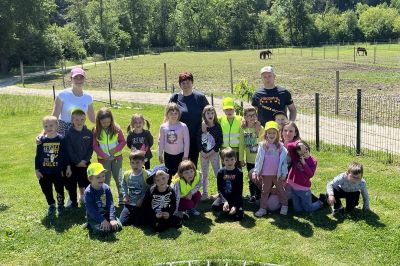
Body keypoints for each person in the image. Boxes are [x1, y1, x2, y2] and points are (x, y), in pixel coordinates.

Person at [169, 72, 209, 167]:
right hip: (178, 137)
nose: (186, 85)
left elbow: (209, 113)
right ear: (179, 84)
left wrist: (205, 122)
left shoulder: (200, 97)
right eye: (183, 83)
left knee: (191, 165)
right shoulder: (175, 98)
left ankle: (191, 181)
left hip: (195, 137)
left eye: (188, 82)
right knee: (177, 164)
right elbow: (168, 116)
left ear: (192, 83)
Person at [35, 116, 71, 216]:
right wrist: (37, 170)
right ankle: (51, 204)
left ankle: (60, 205)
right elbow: (37, 156)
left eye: (51, 125)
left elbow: (65, 154)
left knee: (59, 189)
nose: (48, 128)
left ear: (57, 126)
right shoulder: (41, 140)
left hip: (58, 171)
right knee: (46, 189)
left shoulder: (61, 139)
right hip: (44, 172)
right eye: (45, 126)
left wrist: (68, 167)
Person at [252, 121, 288, 217]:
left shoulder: (280, 147)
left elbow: (284, 163)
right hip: (266, 174)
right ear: (266, 134)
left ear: (277, 134)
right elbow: (258, 160)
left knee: (281, 190)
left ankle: (285, 205)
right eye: (269, 133)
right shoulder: (263, 146)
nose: (271, 135)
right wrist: (256, 171)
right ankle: (263, 208)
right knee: (265, 191)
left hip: (277, 174)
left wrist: (284, 173)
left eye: (274, 133)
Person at [93, 107, 126, 205]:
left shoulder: (116, 129)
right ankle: (105, 200)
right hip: (103, 160)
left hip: (117, 159)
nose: (106, 124)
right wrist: (103, 155)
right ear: (99, 122)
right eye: (103, 123)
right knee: (104, 180)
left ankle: (121, 197)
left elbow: (123, 142)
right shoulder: (96, 131)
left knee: (118, 178)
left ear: (111, 120)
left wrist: (115, 150)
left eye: (108, 122)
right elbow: (95, 146)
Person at [51, 67, 95, 136]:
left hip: (80, 129)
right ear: (71, 79)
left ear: (84, 79)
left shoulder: (88, 97)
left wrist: (111, 125)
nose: (79, 80)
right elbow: (54, 117)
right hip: (63, 131)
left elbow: (93, 119)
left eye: (81, 77)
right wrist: (44, 132)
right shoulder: (62, 95)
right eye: (75, 78)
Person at [65, 108, 93, 208]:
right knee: (71, 184)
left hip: (85, 163)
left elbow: (90, 148)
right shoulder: (69, 133)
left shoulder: (89, 133)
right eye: (76, 120)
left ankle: (85, 197)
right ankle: (73, 201)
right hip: (73, 164)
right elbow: (69, 150)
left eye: (82, 119)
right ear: (72, 120)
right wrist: (77, 161)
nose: (79, 122)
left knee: (86, 181)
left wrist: (85, 160)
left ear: (85, 119)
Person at [84, 163, 122, 235]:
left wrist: (112, 219)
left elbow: (110, 204)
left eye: (103, 176)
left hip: (106, 214)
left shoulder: (106, 188)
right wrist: (102, 220)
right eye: (98, 177)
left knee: (118, 227)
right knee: (100, 231)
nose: (102, 179)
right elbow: (91, 210)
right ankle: (90, 224)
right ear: (90, 179)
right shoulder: (88, 192)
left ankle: (107, 224)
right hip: (94, 217)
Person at [286, 140, 323, 213]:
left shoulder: (313, 161)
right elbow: (289, 146)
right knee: (297, 209)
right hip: (293, 186)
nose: (304, 154)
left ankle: (321, 201)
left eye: (306, 151)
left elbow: (310, 174)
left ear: (307, 147)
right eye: (302, 153)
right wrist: (298, 144)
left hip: (303, 189)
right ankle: (302, 205)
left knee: (308, 209)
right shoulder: (296, 157)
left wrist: (304, 164)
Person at [239, 106, 264, 203]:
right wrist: (241, 159)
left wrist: (257, 132)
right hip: (249, 159)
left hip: (260, 159)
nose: (252, 117)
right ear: (245, 117)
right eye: (249, 115)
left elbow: (263, 142)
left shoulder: (260, 128)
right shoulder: (243, 129)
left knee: (259, 177)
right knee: (251, 178)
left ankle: (260, 194)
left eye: (254, 115)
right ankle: (252, 195)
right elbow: (241, 145)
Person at [197, 105, 223, 200]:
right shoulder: (202, 126)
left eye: (212, 113)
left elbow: (220, 140)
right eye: (208, 113)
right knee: (204, 174)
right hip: (203, 155)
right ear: (204, 115)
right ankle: (204, 193)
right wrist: (201, 151)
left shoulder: (217, 126)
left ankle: (221, 192)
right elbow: (198, 139)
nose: (210, 115)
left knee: (217, 173)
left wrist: (212, 151)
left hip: (214, 154)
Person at [158, 103, 190, 178]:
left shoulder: (183, 126)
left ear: (179, 114)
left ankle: (178, 188)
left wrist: (185, 156)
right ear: (167, 114)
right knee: (169, 173)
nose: (173, 115)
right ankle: (169, 188)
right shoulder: (163, 127)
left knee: (180, 174)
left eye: (176, 113)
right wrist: (160, 154)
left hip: (180, 155)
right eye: (171, 113)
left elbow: (187, 142)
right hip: (168, 155)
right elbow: (161, 141)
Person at [212, 147, 244, 220]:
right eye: (227, 160)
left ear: (235, 160)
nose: (229, 162)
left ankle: (231, 209)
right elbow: (220, 190)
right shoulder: (220, 172)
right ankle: (226, 208)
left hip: (235, 197)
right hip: (224, 197)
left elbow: (239, 191)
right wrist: (225, 201)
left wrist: (235, 206)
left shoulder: (239, 173)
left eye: (232, 159)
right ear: (223, 161)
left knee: (239, 215)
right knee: (214, 206)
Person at [119, 151, 150, 226]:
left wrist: (142, 199)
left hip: (140, 203)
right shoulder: (127, 174)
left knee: (139, 223)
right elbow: (123, 185)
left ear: (143, 162)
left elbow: (149, 189)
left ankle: (136, 215)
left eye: (137, 162)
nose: (135, 165)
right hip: (129, 203)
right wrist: (125, 195)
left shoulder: (146, 175)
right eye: (132, 163)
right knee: (121, 222)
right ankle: (131, 215)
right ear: (130, 163)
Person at [218, 97, 242, 166]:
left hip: (236, 151)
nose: (229, 111)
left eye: (231, 109)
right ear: (223, 110)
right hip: (224, 150)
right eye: (227, 109)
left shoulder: (240, 119)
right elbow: (209, 119)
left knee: (236, 170)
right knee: (225, 171)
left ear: (234, 109)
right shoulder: (220, 119)